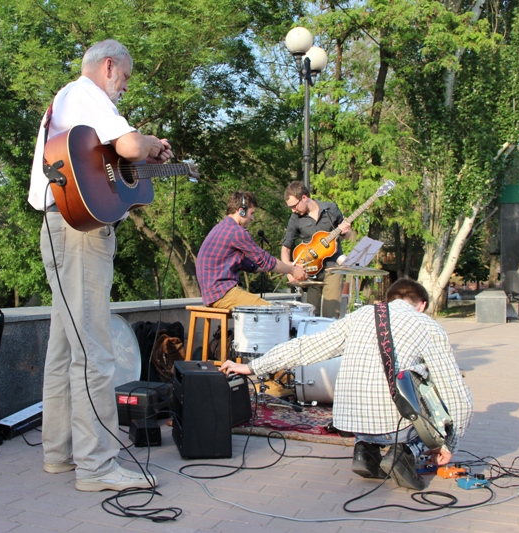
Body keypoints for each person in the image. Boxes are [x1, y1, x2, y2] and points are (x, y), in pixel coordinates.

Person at [27, 39, 174, 492]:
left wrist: (144, 160)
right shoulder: (87, 94)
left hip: (59, 225)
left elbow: (109, 163)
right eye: (125, 78)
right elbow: (129, 145)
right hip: (82, 235)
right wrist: (151, 142)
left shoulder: (66, 103)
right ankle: (97, 465)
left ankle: (61, 452)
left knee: (65, 348)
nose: (124, 88)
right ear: (109, 66)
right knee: (95, 349)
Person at [220, 279, 473, 490]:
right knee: (430, 385)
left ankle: (365, 450)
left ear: (388, 299)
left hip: (351, 422)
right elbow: (454, 391)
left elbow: (306, 347)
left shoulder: (360, 316)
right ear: (422, 305)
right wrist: (448, 444)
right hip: (397, 426)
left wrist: (252, 367)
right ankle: (404, 453)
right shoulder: (427, 326)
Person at [196, 191, 308, 310]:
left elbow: (250, 265)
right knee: (272, 312)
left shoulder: (221, 227)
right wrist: (292, 270)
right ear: (241, 211)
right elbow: (265, 261)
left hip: (212, 293)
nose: (253, 218)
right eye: (252, 213)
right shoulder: (237, 232)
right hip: (222, 293)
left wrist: (285, 265)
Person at [281, 181, 353, 318]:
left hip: (332, 268)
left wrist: (346, 231)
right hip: (309, 270)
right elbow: (286, 247)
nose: (293, 210)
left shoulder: (331, 208)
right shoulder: (295, 217)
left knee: (331, 314)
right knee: (310, 315)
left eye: (294, 206)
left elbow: (347, 235)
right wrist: (289, 271)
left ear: (304, 198)